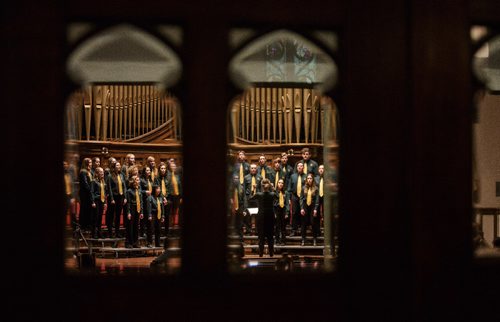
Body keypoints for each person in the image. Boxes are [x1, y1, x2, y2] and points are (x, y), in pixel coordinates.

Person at [248, 179, 276, 257]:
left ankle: (261, 255)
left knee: (261, 237)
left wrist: (253, 189)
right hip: (268, 216)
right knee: (269, 237)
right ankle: (271, 254)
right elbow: (277, 197)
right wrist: (273, 188)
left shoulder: (259, 194)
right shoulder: (272, 194)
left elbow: (250, 198)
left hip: (263, 217)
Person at [106, 162, 127, 238]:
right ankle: (110, 232)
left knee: (118, 215)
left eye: (119, 165)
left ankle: (117, 232)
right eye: (117, 165)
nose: (119, 166)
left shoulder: (121, 175)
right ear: (114, 167)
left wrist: (125, 197)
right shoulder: (109, 176)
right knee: (111, 215)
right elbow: (109, 189)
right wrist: (111, 199)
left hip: (120, 197)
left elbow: (124, 187)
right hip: (113, 198)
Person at [300, 173, 320, 246]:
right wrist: (302, 208)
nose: (309, 180)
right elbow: (301, 199)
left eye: (310, 178)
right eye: (308, 178)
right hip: (305, 206)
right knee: (304, 223)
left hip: (312, 206)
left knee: (313, 222)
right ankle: (303, 239)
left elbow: (317, 199)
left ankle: (314, 239)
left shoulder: (316, 188)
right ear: (306, 179)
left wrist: (315, 209)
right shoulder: (303, 188)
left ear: (312, 179)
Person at [287, 162, 306, 237]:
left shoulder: (306, 176)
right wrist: (289, 198)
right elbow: (289, 188)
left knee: (303, 213)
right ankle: (294, 230)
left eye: (301, 166)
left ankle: (302, 230)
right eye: (298, 166)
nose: (300, 167)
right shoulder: (293, 176)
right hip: (294, 196)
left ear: (303, 168)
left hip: (303, 197)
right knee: (294, 213)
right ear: (297, 167)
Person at [243, 163, 262, 235]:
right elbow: (244, 190)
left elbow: (261, 190)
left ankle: (257, 230)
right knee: (247, 215)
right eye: (252, 168)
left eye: (254, 168)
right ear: (249, 169)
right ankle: (248, 230)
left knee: (258, 215)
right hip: (248, 198)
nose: (253, 169)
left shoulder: (260, 177)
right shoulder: (246, 177)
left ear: (256, 169)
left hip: (257, 199)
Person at [125, 175, 143, 248]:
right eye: (137, 180)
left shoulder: (139, 190)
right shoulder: (129, 191)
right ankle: (129, 243)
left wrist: (141, 212)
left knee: (136, 226)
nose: (139, 181)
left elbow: (141, 201)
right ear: (134, 181)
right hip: (131, 208)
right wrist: (128, 212)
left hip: (137, 209)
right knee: (130, 226)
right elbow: (128, 202)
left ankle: (135, 242)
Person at [90, 167, 107, 239]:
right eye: (100, 172)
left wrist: (105, 202)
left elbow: (105, 193)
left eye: (103, 172)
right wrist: (93, 202)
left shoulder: (103, 181)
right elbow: (92, 192)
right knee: (95, 218)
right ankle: (94, 233)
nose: (102, 173)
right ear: (97, 173)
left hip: (102, 201)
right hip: (96, 201)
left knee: (100, 217)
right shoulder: (93, 181)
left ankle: (99, 232)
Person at [230, 174, 246, 243]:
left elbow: (244, 199)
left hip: (240, 207)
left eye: (237, 178)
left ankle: (241, 240)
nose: (236, 180)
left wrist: (244, 209)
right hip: (232, 208)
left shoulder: (241, 188)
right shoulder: (230, 189)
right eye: (234, 178)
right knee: (233, 224)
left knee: (240, 224)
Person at [78, 158, 93, 232]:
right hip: (85, 193)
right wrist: (91, 191)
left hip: (88, 193)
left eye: (91, 162)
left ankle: (87, 224)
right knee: (84, 209)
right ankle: (83, 225)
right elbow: (85, 184)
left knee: (88, 209)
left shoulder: (89, 171)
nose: (91, 163)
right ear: (86, 163)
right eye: (89, 162)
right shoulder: (83, 172)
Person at [274, 178, 289, 245]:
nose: (281, 184)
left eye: (282, 183)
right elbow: (272, 204)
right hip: (277, 210)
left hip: (283, 210)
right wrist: (274, 213)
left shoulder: (286, 193)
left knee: (283, 226)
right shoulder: (274, 192)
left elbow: (287, 204)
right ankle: (277, 240)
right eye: (279, 183)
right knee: (277, 226)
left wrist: (287, 212)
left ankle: (283, 240)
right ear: (277, 184)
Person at [140, 166, 154, 238]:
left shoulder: (151, 180)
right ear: (144, 171)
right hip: (144, 200)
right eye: (147, 170)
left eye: (149, 170)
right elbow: (139, 190)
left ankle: (150, 231)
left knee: (150, 216)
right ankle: (142, 232)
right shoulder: (141, 180)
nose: (149, 171)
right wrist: (145, 191)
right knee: (144, 217)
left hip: (151, 200)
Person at [167, 162, 182, 228]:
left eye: (174, 166)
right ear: (169, 167)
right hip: (170, 195)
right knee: (170, 210)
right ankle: (170, 224)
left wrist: (181, 196)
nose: (173, 167)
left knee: (176, 210)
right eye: (172, 166)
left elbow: (180, 186)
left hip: (177, 195)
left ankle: (175, 224)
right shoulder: (168, 175)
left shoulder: (178, 175)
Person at [63, 160, 77, 231]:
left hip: (70, 196)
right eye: (63, 164)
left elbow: (73, 186)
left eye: (65, 164)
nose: (64, 166)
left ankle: (73, 229)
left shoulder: (70, 174)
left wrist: (73, 197)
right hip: (64, 197)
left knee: (73, 213)